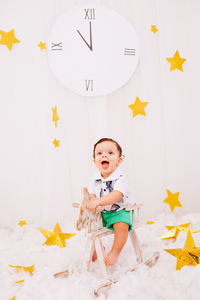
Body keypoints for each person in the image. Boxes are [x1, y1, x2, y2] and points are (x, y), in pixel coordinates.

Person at [86, 138, 135, 266]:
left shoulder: (120, 178)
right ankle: (99, 247)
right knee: (90, 225)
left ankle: (115, 251)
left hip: (121, 210)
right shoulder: (95, 178)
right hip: (103, 212)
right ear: (95, 161)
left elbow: (117, 195)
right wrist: (91, 201)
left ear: (118, 161)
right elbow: (91, 194)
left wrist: (99, 201)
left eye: (110, 153)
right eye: (99, 153)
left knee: (122, 225)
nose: (104, 155)